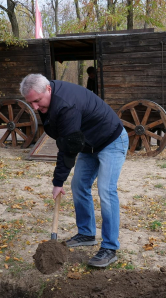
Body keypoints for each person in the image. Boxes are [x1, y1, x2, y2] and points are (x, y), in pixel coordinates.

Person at [20, 74, 129, 268]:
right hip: (88, 144)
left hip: (111, 140)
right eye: (31, 103)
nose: (35, 107)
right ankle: (86, 233)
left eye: (37, 101)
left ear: (48, 90)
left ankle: (110, 248)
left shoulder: (65, 104)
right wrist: (59, 181)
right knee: (79, 185)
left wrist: (57, 181)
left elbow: (68, 147)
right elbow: (64, 140)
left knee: (106, 190)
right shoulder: (49, 101)